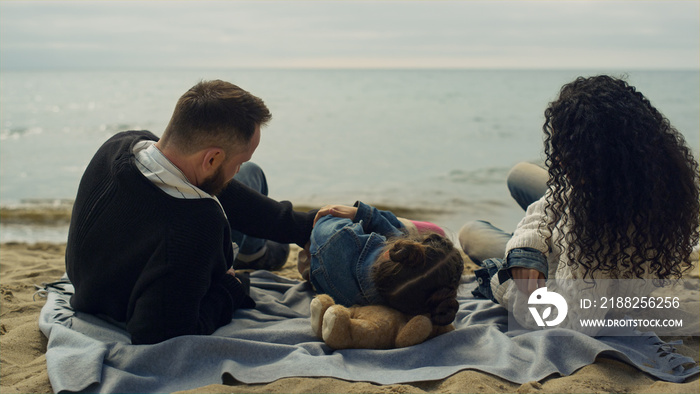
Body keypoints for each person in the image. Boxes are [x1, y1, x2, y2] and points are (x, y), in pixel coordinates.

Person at [65, 80, 318, 344]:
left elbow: (220, 187)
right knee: (276, 247)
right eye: (240, 161)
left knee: (250, 176)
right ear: (211, 159)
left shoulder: (122, 144)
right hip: (133, 289)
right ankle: (256, 255)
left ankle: (257, 249)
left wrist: (302, 226)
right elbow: (161, 333)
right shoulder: (195, 227)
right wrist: (232, 288)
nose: (239, 170)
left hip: (93, 278)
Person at [459, 75, 699, 332]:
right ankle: (527, 251)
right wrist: (526, 247)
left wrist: (499, 283)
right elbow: (553, 199)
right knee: (521, 175)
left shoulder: (590, 222)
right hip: (609, 248)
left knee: (471, 232)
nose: (560, 160)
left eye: (569, 150)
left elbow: (571, 321)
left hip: (584, 263)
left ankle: (517, 260)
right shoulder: (658, 176)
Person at [301, 201, 465, 326]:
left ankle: (409, 226)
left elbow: (326, 217)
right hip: (319, 274)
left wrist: (363, 214)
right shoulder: (403, 304)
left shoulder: (343, 238)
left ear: (390, 252)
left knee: (413, 229)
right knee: (400, 230)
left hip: (317, 253)